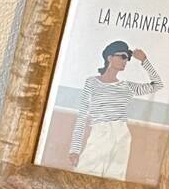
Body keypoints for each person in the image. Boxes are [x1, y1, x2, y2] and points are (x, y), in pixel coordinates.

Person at [67, 41, 163, 180]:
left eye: (128, 59)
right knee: (85, 177)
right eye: (123, 56)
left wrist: (144, 61)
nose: (126, 61)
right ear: (110, 58)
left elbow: (157, 84)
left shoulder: (127, 86)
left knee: (113, 180)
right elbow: (82, 116)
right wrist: (74, 150)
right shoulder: (92, 82)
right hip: (99, 133)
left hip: (121, 135)